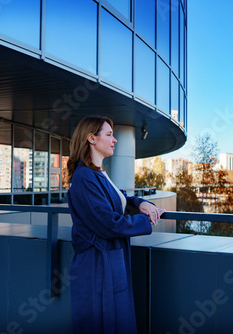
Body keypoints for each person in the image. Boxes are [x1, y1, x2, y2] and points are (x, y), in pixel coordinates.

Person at [66, 116, 164, 333]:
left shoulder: (98, 173)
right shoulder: (84, 177)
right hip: (96, 266)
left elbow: (120, 200)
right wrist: (146, 220)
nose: (115, 140)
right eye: (109, 134)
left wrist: (142, 204)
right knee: (101, 325)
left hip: (109, 261)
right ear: (92, 138)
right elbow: (108, 224)